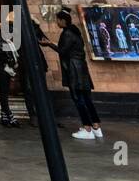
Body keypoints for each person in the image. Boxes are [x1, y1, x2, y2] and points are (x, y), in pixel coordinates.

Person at [38, 8, 103, 140]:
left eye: (57, 20)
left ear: (62, 20)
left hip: (74, 69)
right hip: (81, 68)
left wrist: (49, 44)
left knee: (79, 99)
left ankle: (87, 128)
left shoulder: (67, 33)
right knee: (87, 99)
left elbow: (63, 51)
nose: (57, 22)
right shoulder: (75, 32)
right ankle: (96, 127)